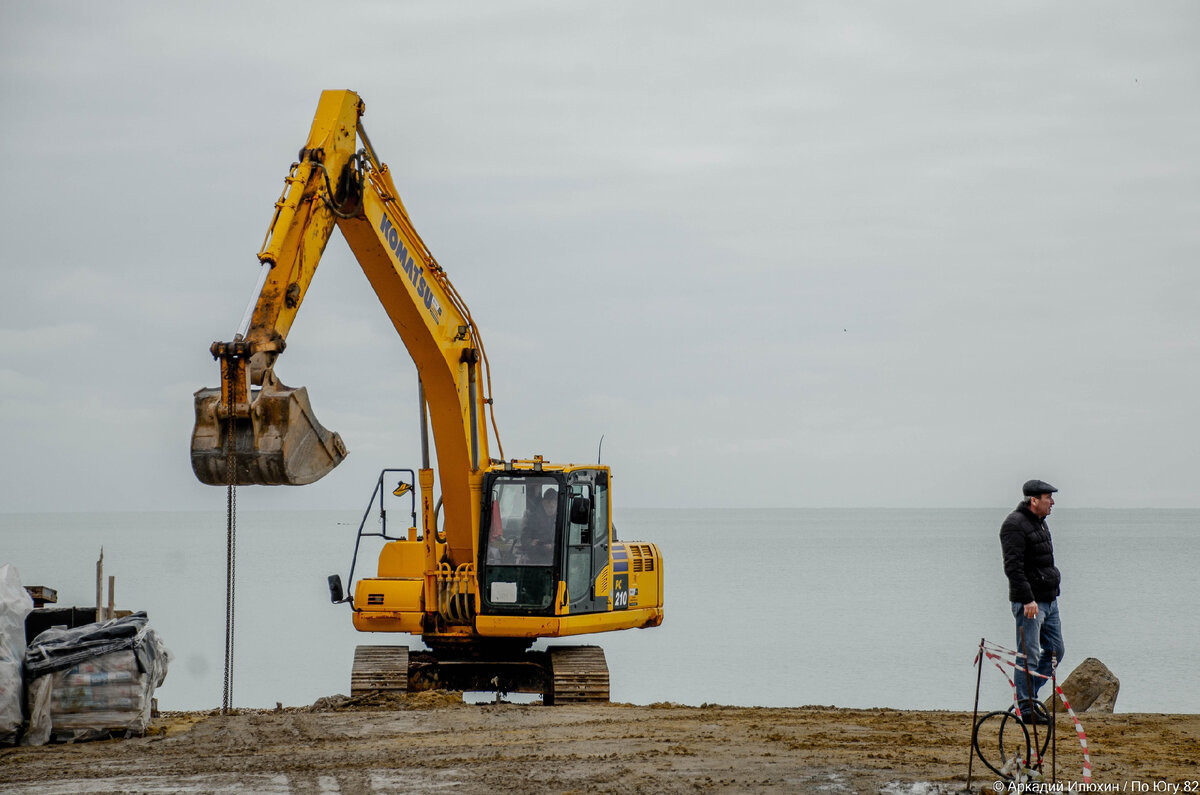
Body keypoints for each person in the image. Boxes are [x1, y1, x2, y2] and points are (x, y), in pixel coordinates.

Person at [1000, 478, 1065, 725]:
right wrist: (1027, 599)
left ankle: (1029, 698)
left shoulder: (1041, 524)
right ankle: (1026, 708)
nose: (1052, 502)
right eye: (1049, 497)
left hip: (1049, 601)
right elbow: (1013, 567)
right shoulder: (1014, 525)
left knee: (1056, 651)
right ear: (1034, 500)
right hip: (1029, 604)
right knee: (1029, 655)